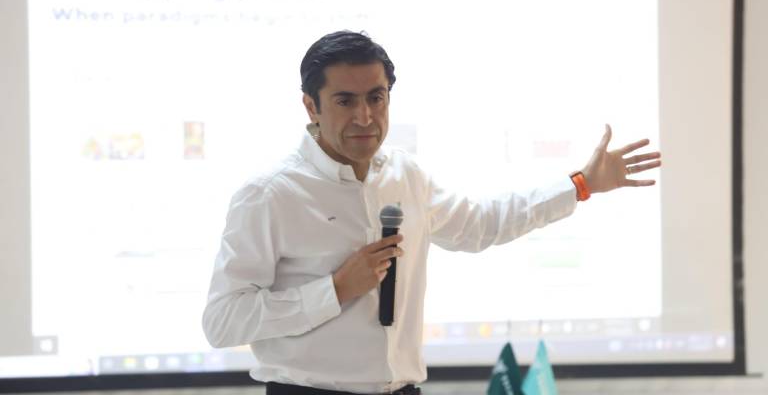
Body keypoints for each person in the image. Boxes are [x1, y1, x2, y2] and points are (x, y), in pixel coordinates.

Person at [202, 31, 662, 395]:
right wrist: (335, 289)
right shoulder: (269, 195)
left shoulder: (406, 174)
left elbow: (480, 226)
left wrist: (580, 185)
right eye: (345, 101)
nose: (365, 117)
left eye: (376, 97)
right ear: (311, 107)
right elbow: (222, 321)